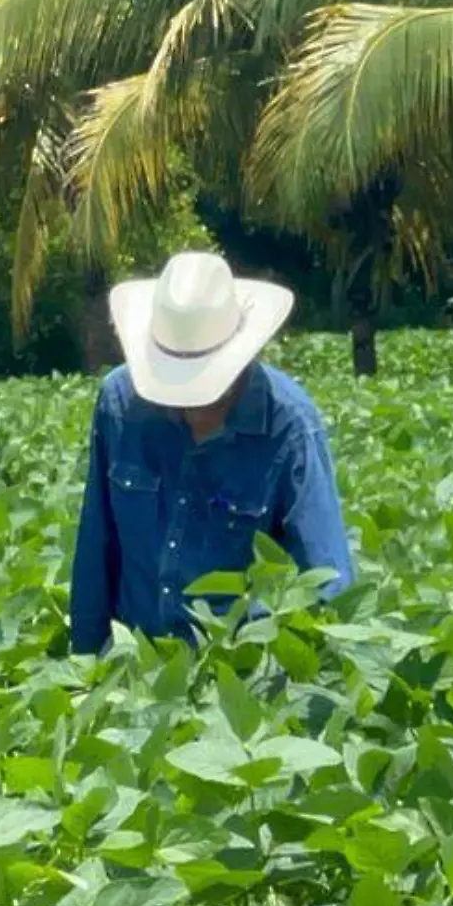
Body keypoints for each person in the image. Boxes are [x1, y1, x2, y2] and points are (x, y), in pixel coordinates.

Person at [68, 251, 355, 654]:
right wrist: (82, 668)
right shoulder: (120, 405)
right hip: (132, 669)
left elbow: (326, 578)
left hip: (237, 677)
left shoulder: (288, 425)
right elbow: (96, 548)